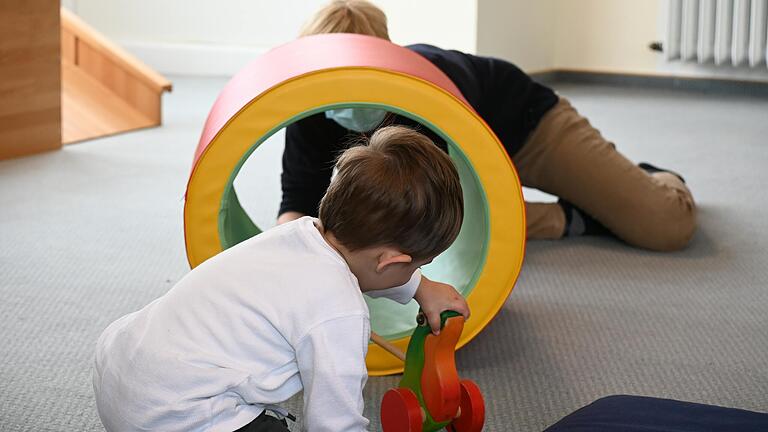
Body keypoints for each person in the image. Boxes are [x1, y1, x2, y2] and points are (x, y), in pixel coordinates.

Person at [92, 126, 469, 431]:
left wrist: (419, 287)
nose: (419, 272)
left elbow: (375, 267)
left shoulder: (299, 234)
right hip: (174, 417)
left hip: (122, 374)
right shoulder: (340, 314)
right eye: (420, 265)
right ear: (391, 261)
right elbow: (333, 423)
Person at [279, 0, 697, 252]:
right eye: (330, 73)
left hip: (529, 130)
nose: (343, 89)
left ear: (385, 56)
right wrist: (288, 249)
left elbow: (431, 210)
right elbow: (298, 203)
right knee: (416, 234)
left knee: (664, 225)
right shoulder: (311, 109)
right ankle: (575, 216)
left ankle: (651, 179)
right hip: (465, 166)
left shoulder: (421, 87)